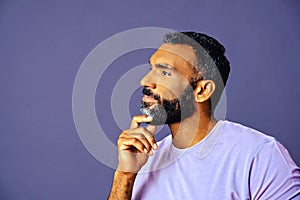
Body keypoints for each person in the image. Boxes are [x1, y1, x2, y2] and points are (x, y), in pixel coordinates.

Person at [108, 32, 300, 199]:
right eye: (151, 69)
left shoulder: (259, 155)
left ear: (202, 91)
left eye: (165, 73)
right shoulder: (144, 159)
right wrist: (125, 175)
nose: (146, 80)